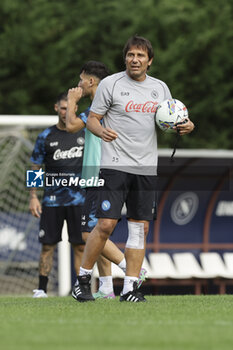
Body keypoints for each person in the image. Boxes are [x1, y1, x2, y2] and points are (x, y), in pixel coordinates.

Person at [74, 35, 195, 302]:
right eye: (131, 55)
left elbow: (172, 118)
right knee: (105, 225)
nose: (135, 59)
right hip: (115, 165)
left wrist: (186, 126)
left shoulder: (160, 88)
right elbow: (92, 119)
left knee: (139, 229)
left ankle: (130, 287)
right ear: (125, 58)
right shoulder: (110, 84)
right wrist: (101, 131)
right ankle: (82, 279)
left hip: (146, 168)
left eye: (140, 55)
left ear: (149, 61)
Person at [66, 61, 147, 299]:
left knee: (88, 232)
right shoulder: (115, 103)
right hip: (110, 173)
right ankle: (106, 287)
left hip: (99, 175)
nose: (78, 84)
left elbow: (70, 126)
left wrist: (71, 102)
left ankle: (132, 269)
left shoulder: (97, 108)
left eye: (81, 79)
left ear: (91, 82)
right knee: (100, 233)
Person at [29, 92, 85, 298]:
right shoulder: (45, 136)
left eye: (69, 108)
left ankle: (81, 288)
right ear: (56, 108)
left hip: (80, 200)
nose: (65, 112)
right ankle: (42, 289)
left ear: (75, 109)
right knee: (47, 245)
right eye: (62, 108)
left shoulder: (86, 134)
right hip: (52, 201)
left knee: (80, 246)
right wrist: (33, 196)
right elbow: (35, 166)